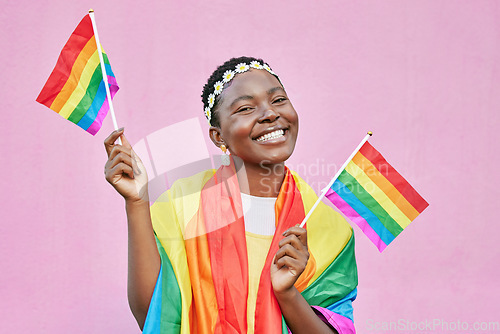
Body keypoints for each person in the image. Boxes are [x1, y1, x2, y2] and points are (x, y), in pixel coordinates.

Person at [104, 56, 357, 334]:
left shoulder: (328, 226)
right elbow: (151, 315)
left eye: (278, 100)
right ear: (218, 137)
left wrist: (288, 295)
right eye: (246, 108)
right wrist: (137, 203)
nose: (270, 114)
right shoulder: (184, 205)